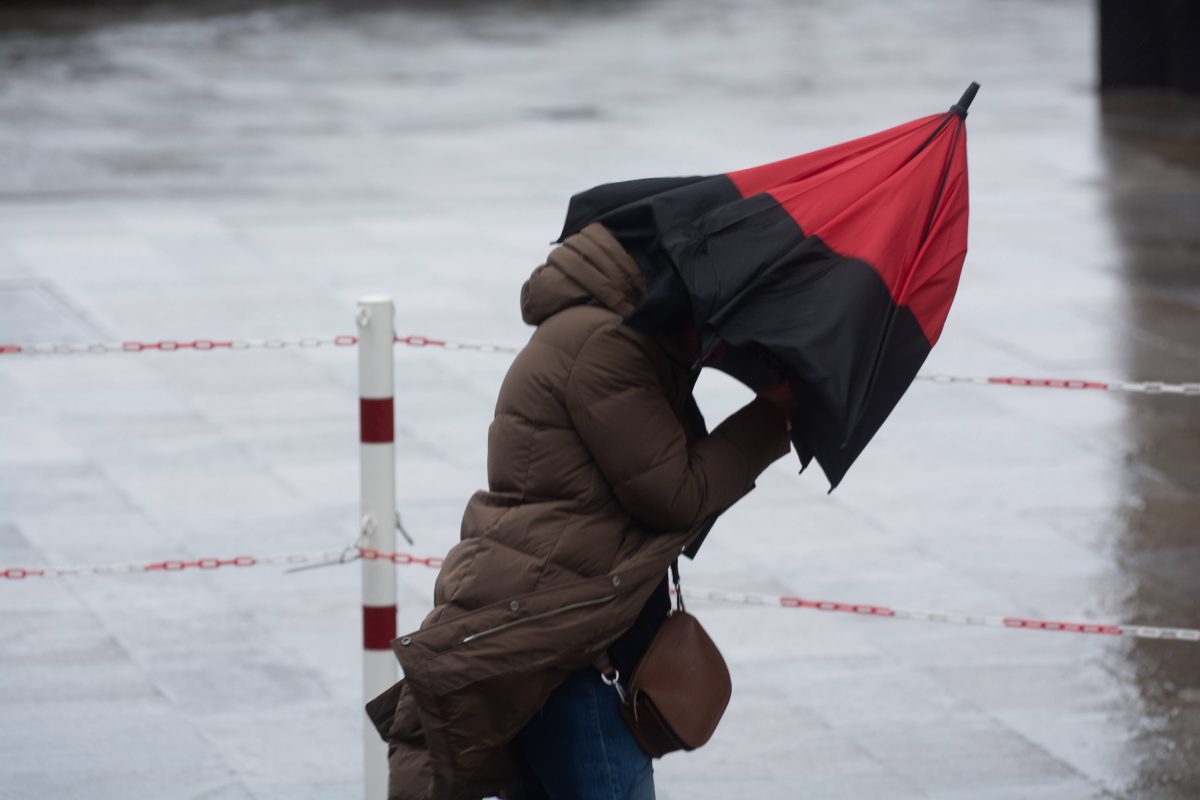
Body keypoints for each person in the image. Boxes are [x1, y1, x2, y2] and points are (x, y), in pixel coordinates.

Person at [366, 222, 796, 800]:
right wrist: (773, 417)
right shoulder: (604, 345)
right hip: (576, 657)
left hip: (566, 635)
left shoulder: (613, 333)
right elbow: (675, 494)